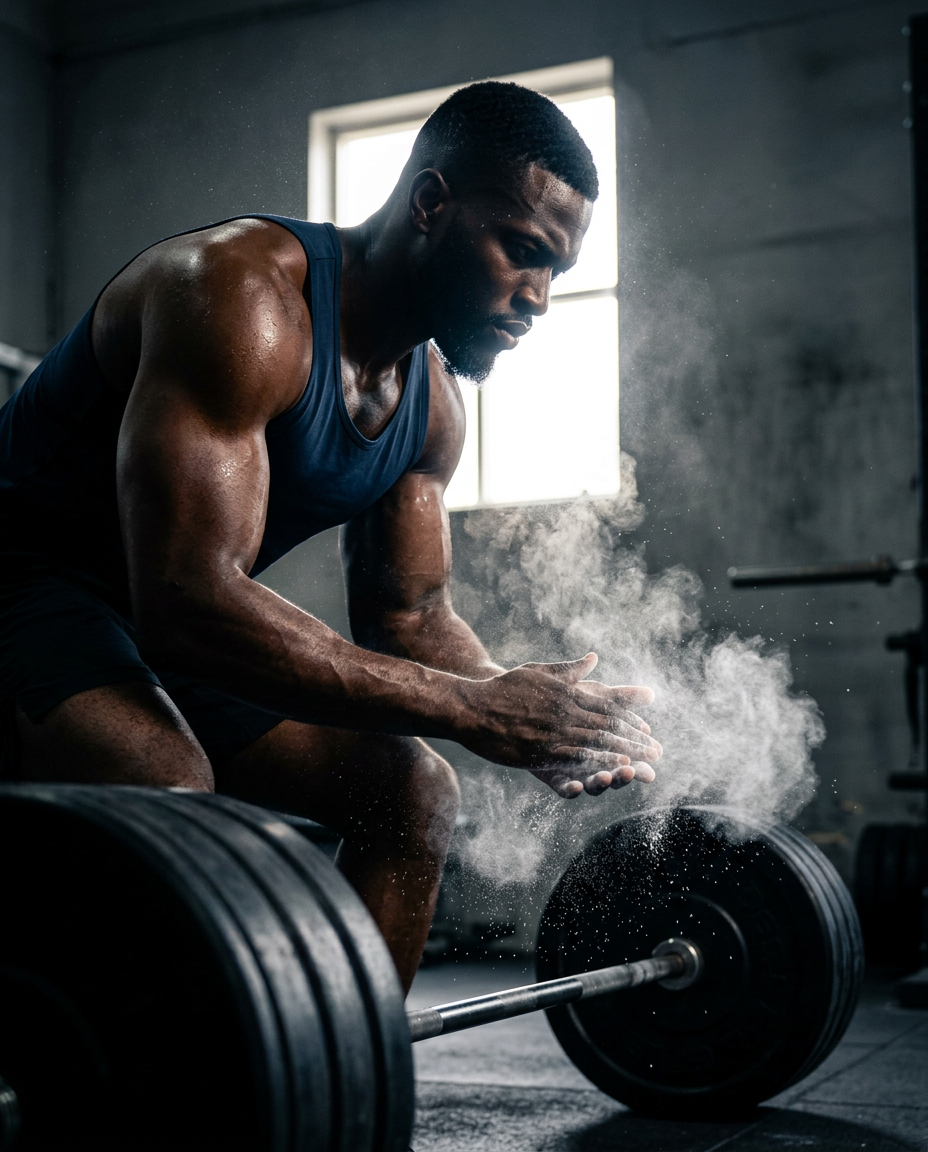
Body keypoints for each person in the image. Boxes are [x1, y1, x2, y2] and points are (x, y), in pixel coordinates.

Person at [0, 81, 661, 992]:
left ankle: (344, 1091)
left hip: (146, 610)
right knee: (161, 782)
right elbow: (191, 599)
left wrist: (528, 709)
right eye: (522, 251)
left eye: (557, 272)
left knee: (412, 795)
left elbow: (410, 616)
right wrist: (476, 712)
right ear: (431, 203)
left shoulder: (431, 407)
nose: (538, 298)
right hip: (27, 579)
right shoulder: (239, 297)